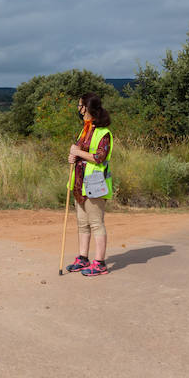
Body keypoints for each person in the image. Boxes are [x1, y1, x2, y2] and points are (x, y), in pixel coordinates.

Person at [66, 93, 113, 277]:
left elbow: (99, 157)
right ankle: (83, 258)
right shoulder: (85, 129)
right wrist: (73, 156)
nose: (78, 109)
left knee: (96, 223)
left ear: (87, 108)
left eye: (80, 105)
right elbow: (79, 152)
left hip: (95, 185)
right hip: (79, 184)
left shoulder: (104, 133)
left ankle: (100, 263)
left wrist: (77, 152)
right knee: (82, 224)